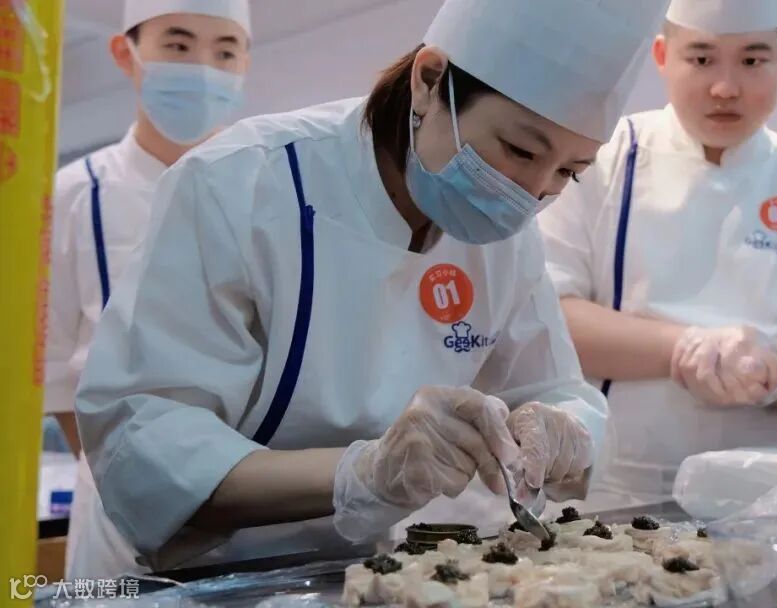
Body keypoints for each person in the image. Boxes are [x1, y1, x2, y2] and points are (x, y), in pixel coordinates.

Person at [72, 0, 666, 578]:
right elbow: (146, 443)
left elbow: (555, 388)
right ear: (429, 81)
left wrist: (561, 430)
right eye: (519, 150)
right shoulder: (239, 183)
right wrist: (360, 474)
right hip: (185, 574)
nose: (530, 192)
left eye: (568, 172)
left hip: (350, 571)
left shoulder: (509, 230)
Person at [538, 0, 777, 508]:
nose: (725, 87)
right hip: (601, 491)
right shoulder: (598, 159)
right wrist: (686, 348)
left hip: (758, 501)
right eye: (702, 59)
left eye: (752, 60)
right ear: (662, 56)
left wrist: (770, 380)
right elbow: (549, 317)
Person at [44, 0, 253, 578]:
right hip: (117, 516)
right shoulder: (75, 195)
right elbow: (55, 369)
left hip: (257, 501)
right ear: (125, 52)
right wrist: (125, 478)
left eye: (225, 52)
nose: (203, 68)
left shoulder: (270, 187)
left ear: (245, 64)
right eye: (178, 45)